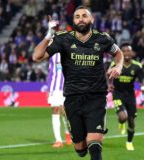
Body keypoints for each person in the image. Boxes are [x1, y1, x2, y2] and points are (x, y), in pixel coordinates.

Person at [33, 6, 124, 160]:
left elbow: (119, 53)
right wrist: (50, 34)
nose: (80, 19)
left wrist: (119, 66)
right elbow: (37, 56)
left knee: (95, 145)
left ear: (92, 19)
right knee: (80, 150)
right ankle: (73, 130)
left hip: (96, 97)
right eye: (77, 16)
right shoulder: (63, 39)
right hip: (73, 98)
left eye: (84, 16)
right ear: (73, 20)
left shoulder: (103, 38)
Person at [108, 43, 144, 151]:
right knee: (122, 117)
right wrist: (109, 84)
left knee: (131, 122)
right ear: (121, 53)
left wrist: (143, 88)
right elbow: (108, 75)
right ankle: (121, 123)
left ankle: (129, 142)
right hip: (117, 94)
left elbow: (142, 80)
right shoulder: (115, 63)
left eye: (128, 51)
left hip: (130, 95)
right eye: (124, 51)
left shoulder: (137, 66)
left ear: (132, 53)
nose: (126, 53)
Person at [47, 52, 72, 148]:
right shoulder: (53, 55)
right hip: (55, 88)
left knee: (65, 113)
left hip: (67, 88)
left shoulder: (70, 52)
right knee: (55, 110)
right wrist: (48, 89)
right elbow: (50, 72)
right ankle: (58, 140)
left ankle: (67, 134)